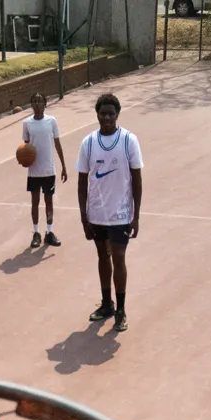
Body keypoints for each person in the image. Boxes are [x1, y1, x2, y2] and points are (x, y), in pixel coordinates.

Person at [76, 92, 143, 333]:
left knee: (118, 257)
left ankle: (121, 310)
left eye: (111, 114)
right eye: (103, 114)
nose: (106, 118)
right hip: (96, 214)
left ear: (117, 115)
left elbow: (137, 179)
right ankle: (107, 304)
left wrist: (136, 215)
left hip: (121, 213)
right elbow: (82, 181)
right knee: (102, 257)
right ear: (97, 115)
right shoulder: (89, 143)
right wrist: (84, 216)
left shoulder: (128, 141)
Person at [20, 92, 67, 250]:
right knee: (35, 202)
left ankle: (49, 232)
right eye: (34, 101)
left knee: (49, 202)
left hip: (49, 170)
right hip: (34, 171)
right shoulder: (27, 123)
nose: (37, 104)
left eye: (40, 101)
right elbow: (26, 148)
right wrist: (24, 160)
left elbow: (57, 144)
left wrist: (63, 166)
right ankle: (35, 233)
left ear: (45, 104)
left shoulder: (51, 121)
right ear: (31, 105)